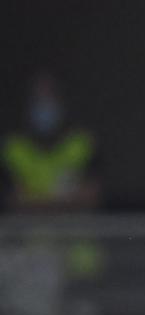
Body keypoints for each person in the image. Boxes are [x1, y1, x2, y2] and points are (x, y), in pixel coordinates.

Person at [2, 71, 100, 212]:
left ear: (62, 101)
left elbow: (91, 198)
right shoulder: (12, 149)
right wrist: (67, 201)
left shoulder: (82, 144)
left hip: (73, 227)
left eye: (50, 98)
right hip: (27, 227)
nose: (44, 105)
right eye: (38, 99)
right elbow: (12, 201)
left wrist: (33, 200)